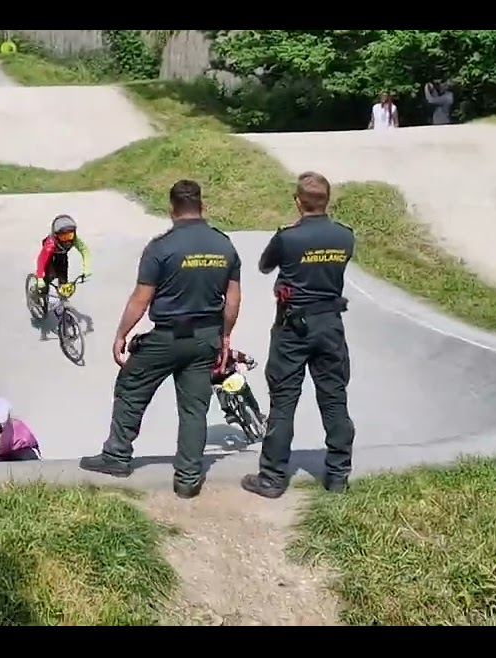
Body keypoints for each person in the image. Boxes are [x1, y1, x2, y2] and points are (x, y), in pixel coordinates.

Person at [79, 179, 241, 499]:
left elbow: (141, 298)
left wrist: (122, 334)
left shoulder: (161, 247)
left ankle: (117, 456)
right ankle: (188, 479)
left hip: (167, 337)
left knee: (131, 385)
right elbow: (233, 299)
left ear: (171, 209)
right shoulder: (224, 245)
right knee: (194, 409)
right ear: (202, 206)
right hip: (205, 338)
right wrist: (225, 337)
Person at [242, 171, 356, 499]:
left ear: (297, 202)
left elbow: (265, 266)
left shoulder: (287, 237)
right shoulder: (345, 236)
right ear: (328, 201)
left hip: (293, 328)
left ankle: (273, 478)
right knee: (334, 398)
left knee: (283, 401)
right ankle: (338, 475)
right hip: (330, 324)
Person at [33, 214, 93, 335]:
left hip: (61, 256)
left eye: (70, 235)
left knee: (63, 283)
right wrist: (39, 278)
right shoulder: (50, 243)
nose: (67, 240)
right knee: (48, 278)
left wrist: (87, 268)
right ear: (56, 235)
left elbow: (85, 251)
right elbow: (41, 260)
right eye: (63, 236)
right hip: (49, 257)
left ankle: (62, 308)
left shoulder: (75, 240)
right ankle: (36, 293)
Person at [210, 347, 264, 422]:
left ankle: (258, 413)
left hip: (234, 377)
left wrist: (248, 359)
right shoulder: (206, 362)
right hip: (219, 383)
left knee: (247, 392)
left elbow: (238, 355)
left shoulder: (227, 353)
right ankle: (229, 413)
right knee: (220, 393)